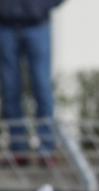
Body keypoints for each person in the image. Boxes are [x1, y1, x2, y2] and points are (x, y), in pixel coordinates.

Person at [0, 0, 66, 164]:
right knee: (10, 91)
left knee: (42, 88)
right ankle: (18, 150)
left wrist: (40, 6)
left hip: (38, 24)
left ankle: (47, 149)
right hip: (5, 25)